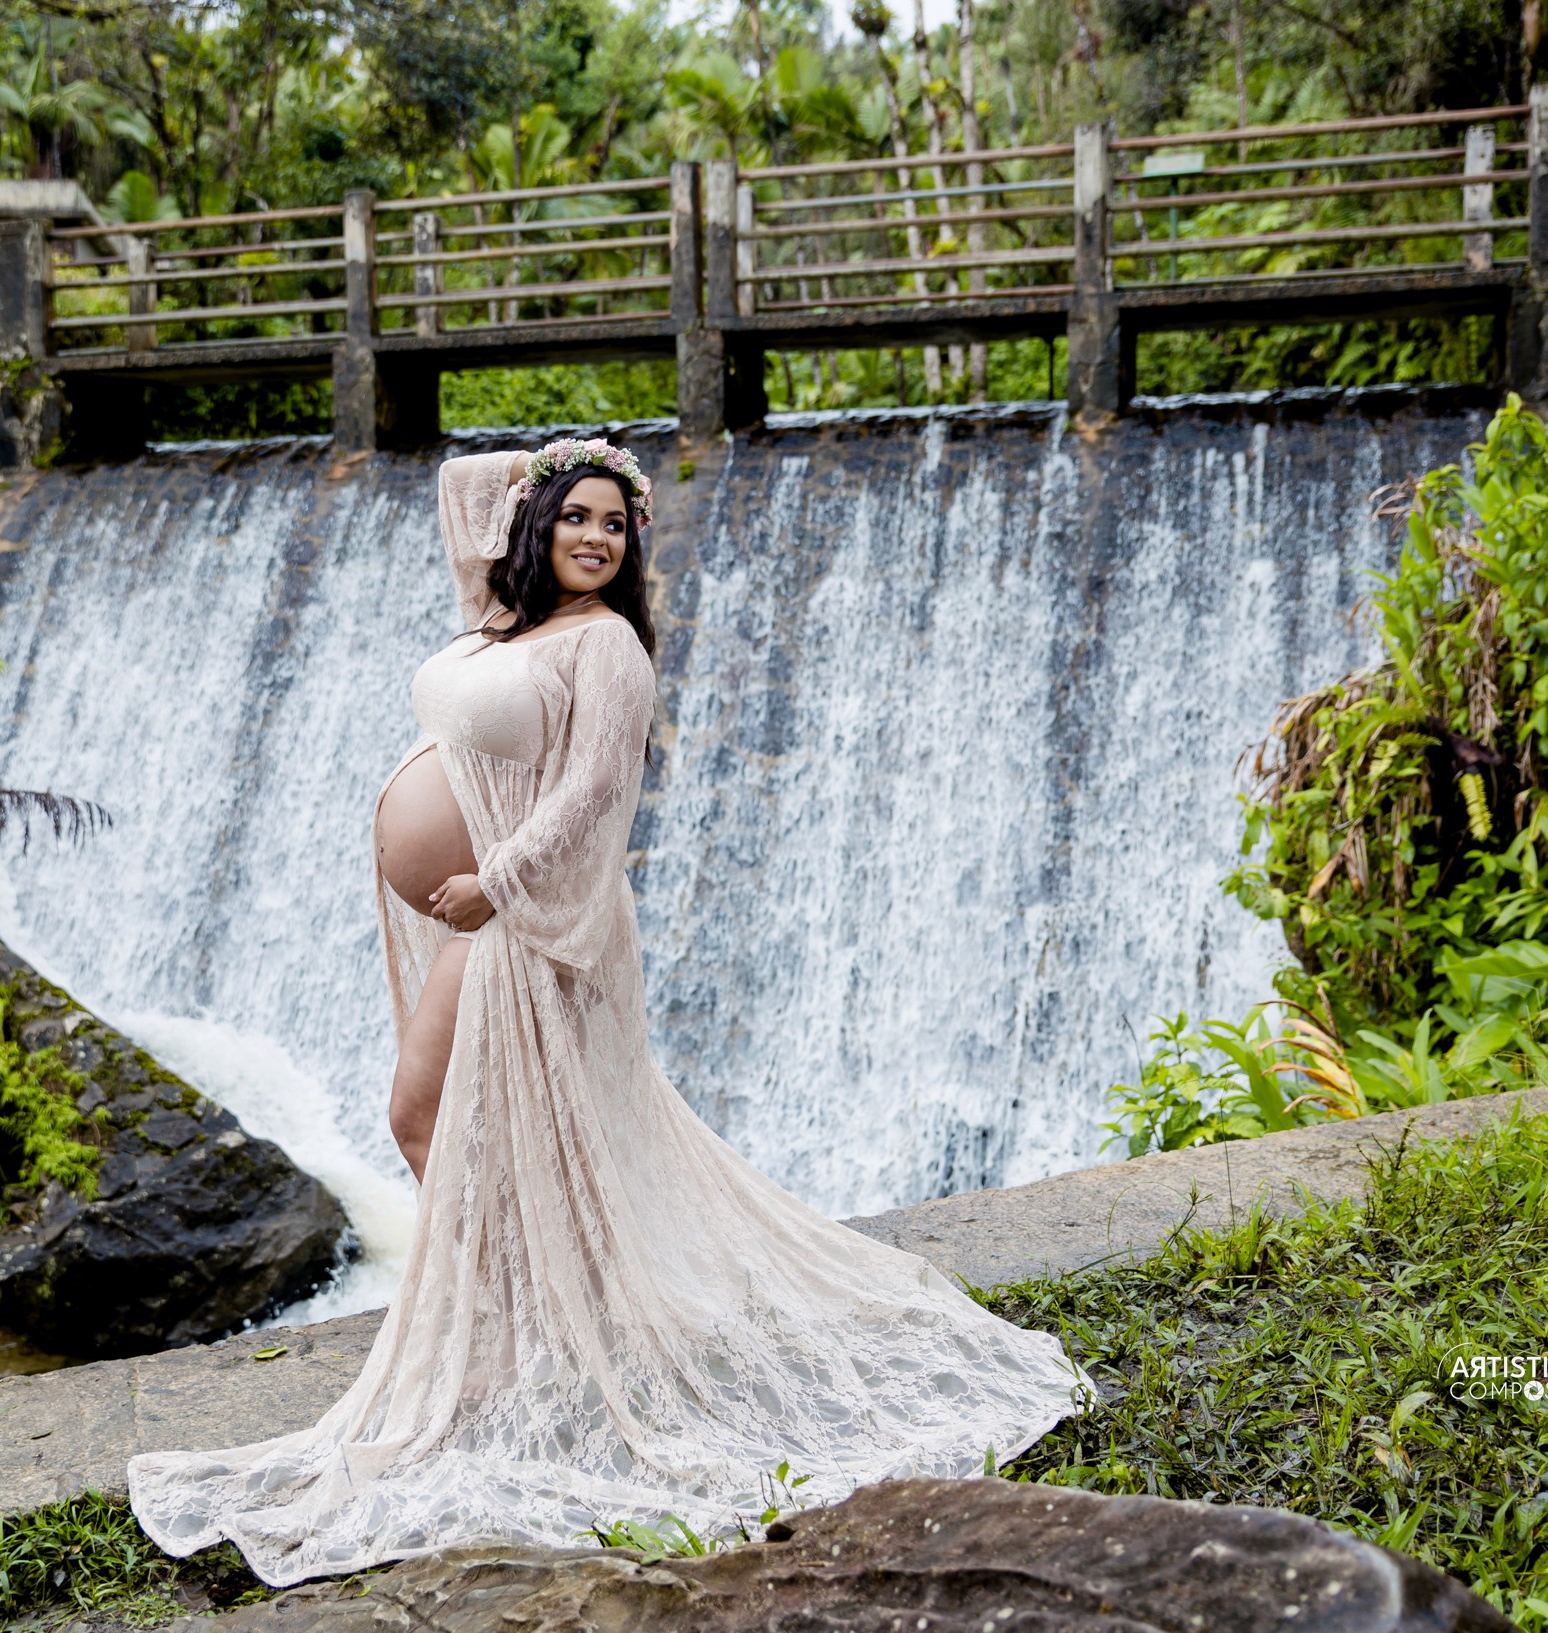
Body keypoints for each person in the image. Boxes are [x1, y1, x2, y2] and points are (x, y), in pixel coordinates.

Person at [127, 439, 1091, 1587]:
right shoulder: (502, 623)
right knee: (445, 1121)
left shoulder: (609, 646)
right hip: (483, 923)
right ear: (535, 527)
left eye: (615, 525)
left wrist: (497, 880)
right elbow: (459, 491)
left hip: (533, 923)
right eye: (574, 518)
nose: (595, 537)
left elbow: (595, 795)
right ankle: (521, 1334)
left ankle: (521, 1343)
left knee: (459, 1121)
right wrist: (556, 465)